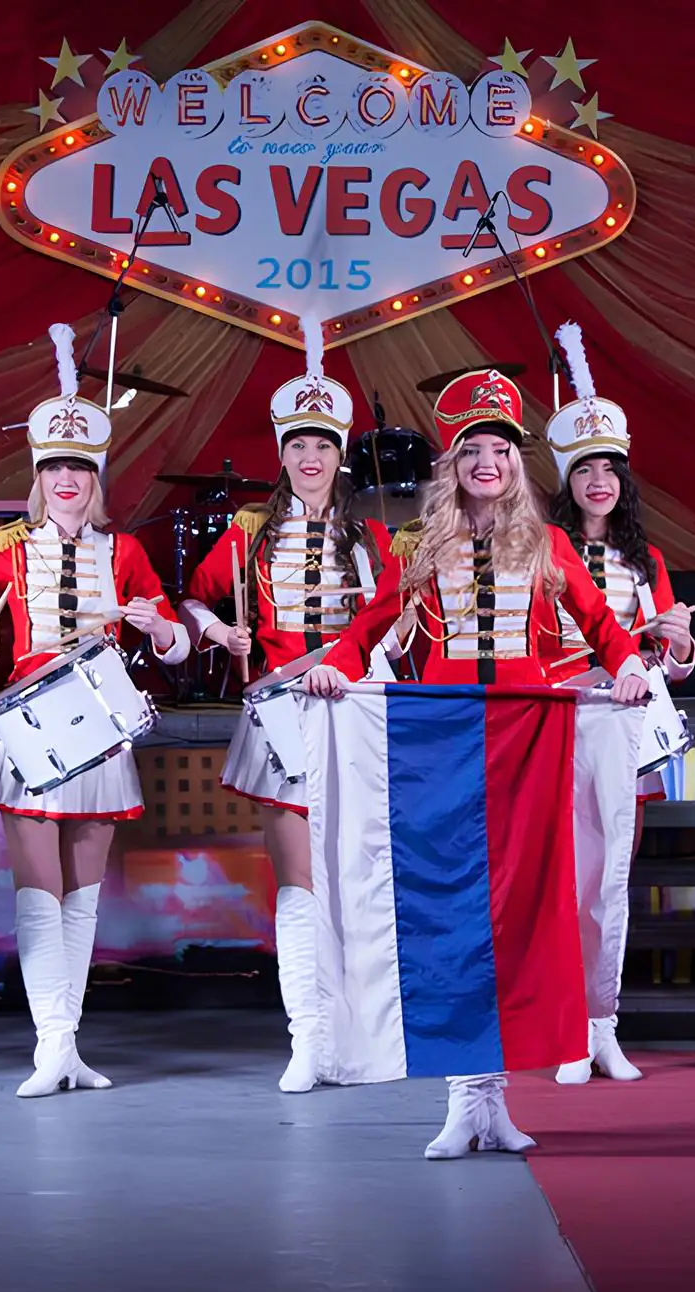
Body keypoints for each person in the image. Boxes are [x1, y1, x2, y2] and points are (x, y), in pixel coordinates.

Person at [307, 368, 652, 1159]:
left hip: (531, 744)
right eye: (472, 451)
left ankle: (497, 1098)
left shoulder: (552, 542)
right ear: (452, 465)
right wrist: (337, 664)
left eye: (501, 449)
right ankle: (466, 1100)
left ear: (516, 463)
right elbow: (371, 625)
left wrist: (629, 666)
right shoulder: (419, 546)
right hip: (442, 747)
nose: (488, 462)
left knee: (521, 914)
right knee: (453, 913)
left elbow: (602, 627)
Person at [0, 323, 188, 1098]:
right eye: (55, 466)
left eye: (80, 466)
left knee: (84, 894)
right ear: (39, 475)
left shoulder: (125, 552)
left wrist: (158, 627)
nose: (67, 477)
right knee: (38, 891)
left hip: (102, 730)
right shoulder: (7, 549)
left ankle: (68, 1044)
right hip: (28, 730)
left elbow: (172, 651)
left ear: (96, 477)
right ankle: (50, 1045)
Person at [179, 318, 392, 1094]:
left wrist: (358, 655)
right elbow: (194, 601)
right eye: (299, 446)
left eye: (324, 446)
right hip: (277, 714)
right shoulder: (247, 536)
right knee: (299, 883)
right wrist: (217, 629)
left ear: (340, 455)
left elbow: (396, 621)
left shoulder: (372, 537)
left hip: (358, 717)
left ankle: (360, 1035)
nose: (310, 459)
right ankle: (308, 1040)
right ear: (284, 454)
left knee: (356, 881)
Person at [543, 319, 695, 1085]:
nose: (598, 480)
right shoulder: (539, 548)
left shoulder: (649, 557)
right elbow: (538, 642)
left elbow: (673, 653)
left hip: (631, 727)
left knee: (612, 880)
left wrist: (674, 637)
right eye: (584, 469)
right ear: (566, 480)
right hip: (565, 723)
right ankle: (569, 1026)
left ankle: (604, 1023)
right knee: (570, 878)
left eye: (609, 467)